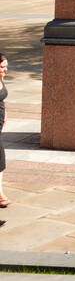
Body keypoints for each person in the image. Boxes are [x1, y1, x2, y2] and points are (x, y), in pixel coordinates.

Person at [0, 53, 8, 216]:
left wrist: (5, 114)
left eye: (6, 66)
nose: (5, 70)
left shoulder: (0, 79)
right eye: (2, 67)